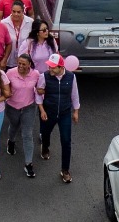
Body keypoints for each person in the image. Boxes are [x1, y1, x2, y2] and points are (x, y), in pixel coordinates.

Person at [39, 52, 80, 183]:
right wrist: (42, 110)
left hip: (64, 113)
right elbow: (38, 94)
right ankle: (45, 147)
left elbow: (74, 95)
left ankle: (65, 169)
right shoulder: (44, 76)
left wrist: (76, 111)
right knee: (45, 133)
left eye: (53, 67)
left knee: (66, 141)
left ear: (61, 67)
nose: (50, 69)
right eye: (49, 66)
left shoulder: (71, 77)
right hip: (48, 112)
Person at [4, 53, 42, 177]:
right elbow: (4, 88)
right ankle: (11, 141)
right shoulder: (10, 73)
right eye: (19, 63)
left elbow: (40, 89)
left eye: (23, 64)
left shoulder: (36, 74)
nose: (20, 66)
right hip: (12, 107)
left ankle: (28, 164)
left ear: (29, 64)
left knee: (27, 134)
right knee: (14, 126)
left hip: (29, 108)